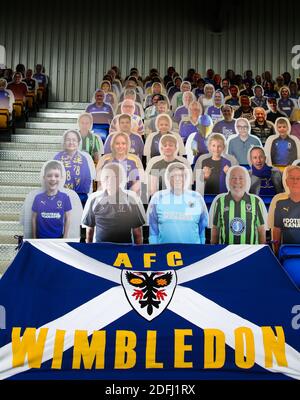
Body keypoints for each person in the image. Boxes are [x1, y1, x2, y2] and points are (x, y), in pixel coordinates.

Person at [82, 163, 145, 244]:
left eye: (115, 177)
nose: (110, 181)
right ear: (102, 179)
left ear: (121, 179)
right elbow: (89, 231)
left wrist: (138, 253)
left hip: (124, 252)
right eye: (107, 177)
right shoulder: (95, 201)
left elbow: (137, 233)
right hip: (100, 251)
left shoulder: (130, 201)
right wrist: (89, 251)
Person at [148, 162, 208, 244]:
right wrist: (154, 250)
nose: (177, 179)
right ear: (168, 178)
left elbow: (202, 229)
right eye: (173, 176)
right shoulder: (158, 197)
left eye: (181, 176)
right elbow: (153, 230)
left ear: (186, 178)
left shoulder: (197, 198)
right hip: (164, 253)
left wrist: (202, 250)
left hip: (193, 253)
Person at [211, 165, 266, 244]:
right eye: (234, 178)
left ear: (246, 181)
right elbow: (215, 229)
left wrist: (261, 252)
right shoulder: (220, 201)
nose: (237, 181)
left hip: (250, 253)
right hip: (226, 253)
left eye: (241, 178)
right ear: (229, 181)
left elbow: (261, 230)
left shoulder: (256, 202)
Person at [31, 161, 72, 239]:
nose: (53, 179)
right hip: (41, 240)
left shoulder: (65, 198)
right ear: (44, 178)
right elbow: (33, 218)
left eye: (56, 176)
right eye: (49, 175)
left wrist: (65, 238)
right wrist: (34, 238)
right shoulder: (38, 198)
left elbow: (68, 218)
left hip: (58, 240)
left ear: (61, 178)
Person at [54, 130, 93, 206]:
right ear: (64, 142)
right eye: (68, 140)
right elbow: (53, 176)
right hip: (61, 195)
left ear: (78, 143)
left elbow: (87, 178)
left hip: (80, 196)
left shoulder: (84, 158)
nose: (71, 142)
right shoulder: (57, 157)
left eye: (74, 140)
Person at [271, 166, 300, 255]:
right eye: (292, 178)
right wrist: (277, 255)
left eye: (298, 178)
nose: (295, 181)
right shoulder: (280, 204)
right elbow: (276, 232)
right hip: (287, 254)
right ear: (286, 182)